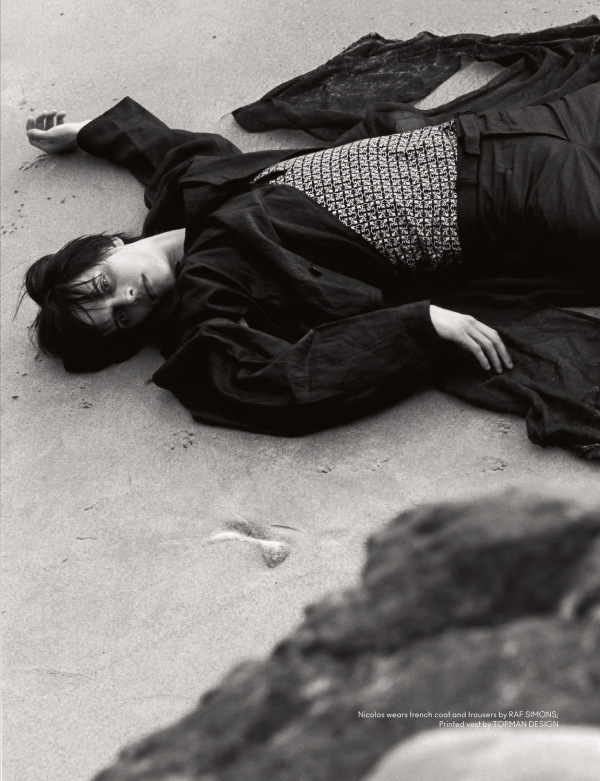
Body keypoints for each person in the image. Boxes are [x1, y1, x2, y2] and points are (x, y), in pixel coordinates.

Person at [21, 85, 599, 440]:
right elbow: (273, 382)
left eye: (103, 285)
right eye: (122, 319)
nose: (128, 298)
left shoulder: (186, 194)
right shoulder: (208, 295)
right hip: (516, 204)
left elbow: (164, 151)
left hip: (498, 132)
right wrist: (419, 323)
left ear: (107, 246)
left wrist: (87, 132)